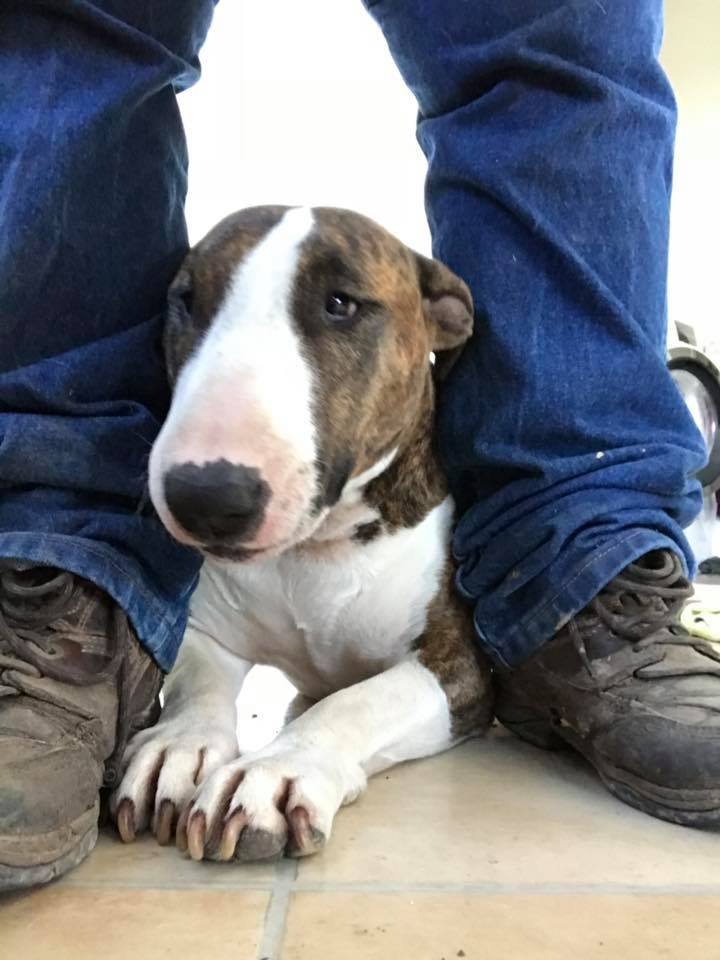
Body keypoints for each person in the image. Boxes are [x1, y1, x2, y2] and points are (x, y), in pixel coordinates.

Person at [1, 0, 717, 892]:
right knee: (66, 27)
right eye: (200, 306)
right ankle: (70, 585)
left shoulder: (438, 513)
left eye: (341, 308)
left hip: (408, 542)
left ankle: (576, 578)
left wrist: (325, 747)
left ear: (443, 326)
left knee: (556, 32)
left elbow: (448, 680)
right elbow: (210, 641)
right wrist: (203, 707)